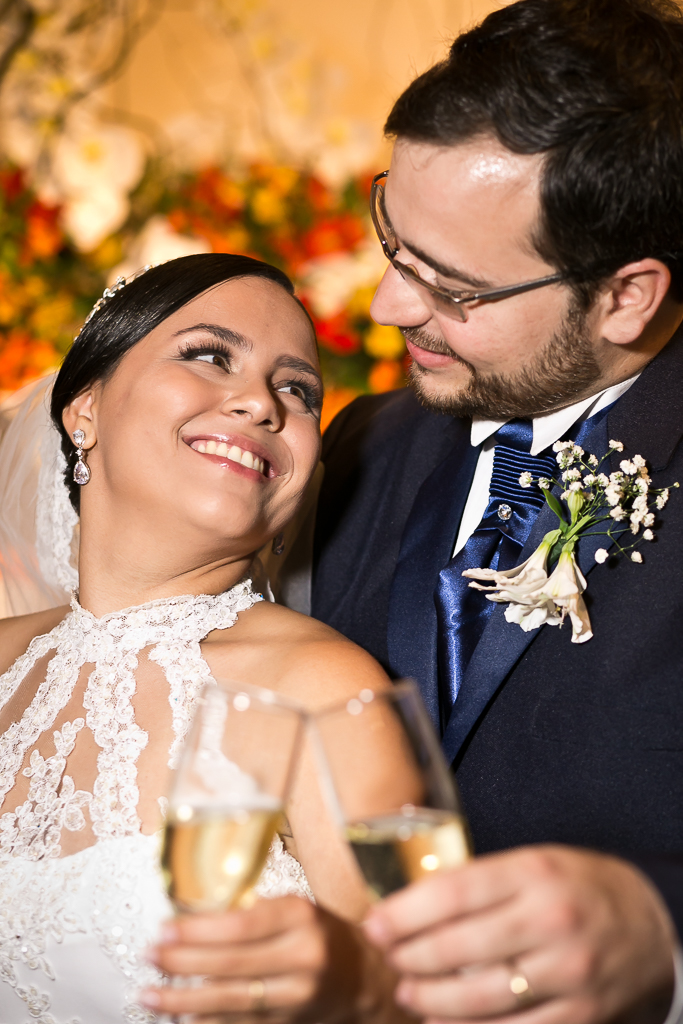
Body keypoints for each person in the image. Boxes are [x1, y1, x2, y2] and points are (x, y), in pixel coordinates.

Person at [309, 0, 683, 1021]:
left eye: (453, 288)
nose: (386, 306)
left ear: (624, 298)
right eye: (394, 241)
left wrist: (659, 931)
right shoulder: (359, 444)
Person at [0, 253, 410, 1024]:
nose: (261, 403)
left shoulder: (325, 692)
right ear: (83, 408)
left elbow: (421, 995)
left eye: (297, 389)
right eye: (209, 355)